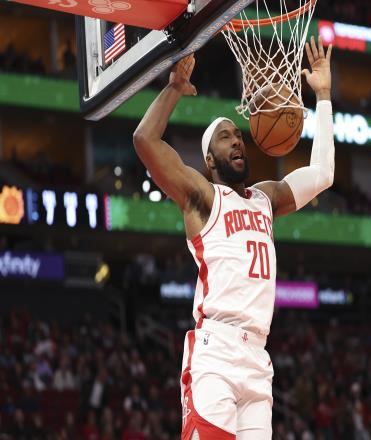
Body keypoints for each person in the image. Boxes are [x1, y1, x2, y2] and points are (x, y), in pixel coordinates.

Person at [133, 35, 335, 440]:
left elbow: (322, 175)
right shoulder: (203, 196)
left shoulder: (265, 199)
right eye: (225, 137)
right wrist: (174, 88)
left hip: (257, 358)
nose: (237, 139)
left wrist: (324, 96)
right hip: (217, 350)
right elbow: (145, 141)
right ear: (209, 159)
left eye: (238, 135)